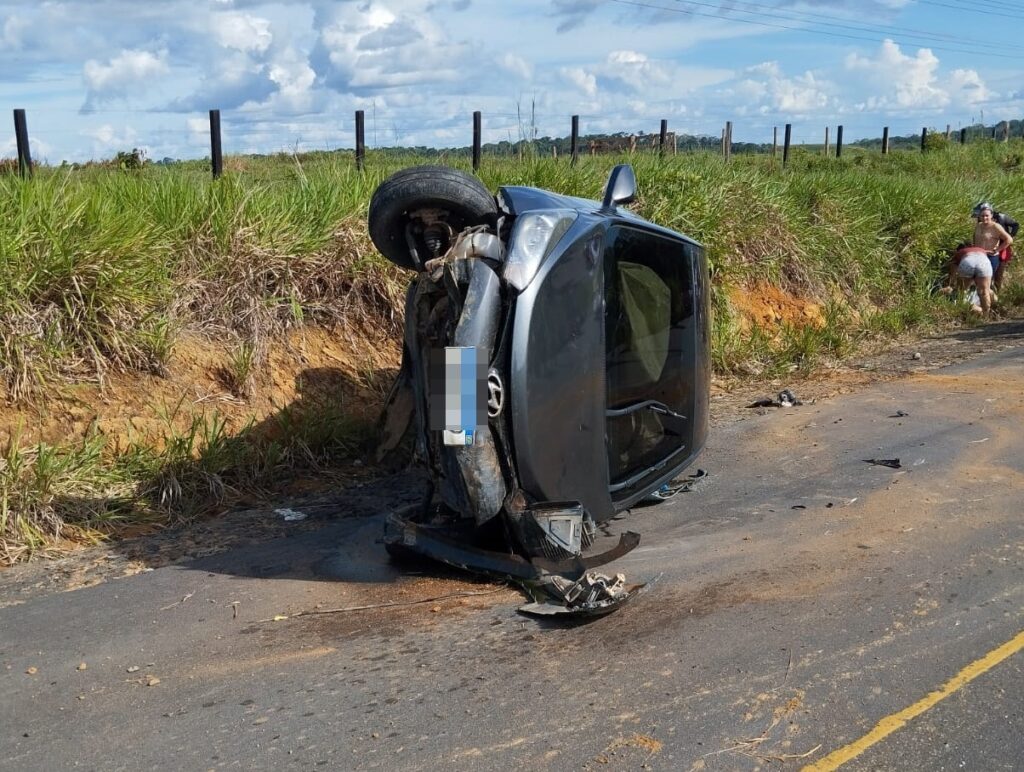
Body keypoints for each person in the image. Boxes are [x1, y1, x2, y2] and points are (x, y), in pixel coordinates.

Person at [972, 201, 1018, 290]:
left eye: (986, 215)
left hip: (997, 250)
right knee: (979, 277)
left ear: (991, 215)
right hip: (982, 254)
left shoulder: (1001, 218)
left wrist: (1010, 236)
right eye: (982, 215)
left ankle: (995, 292)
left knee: (997, 273)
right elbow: (976, 237)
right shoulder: (979, 224)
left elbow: (1014, 228)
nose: (984, 217)